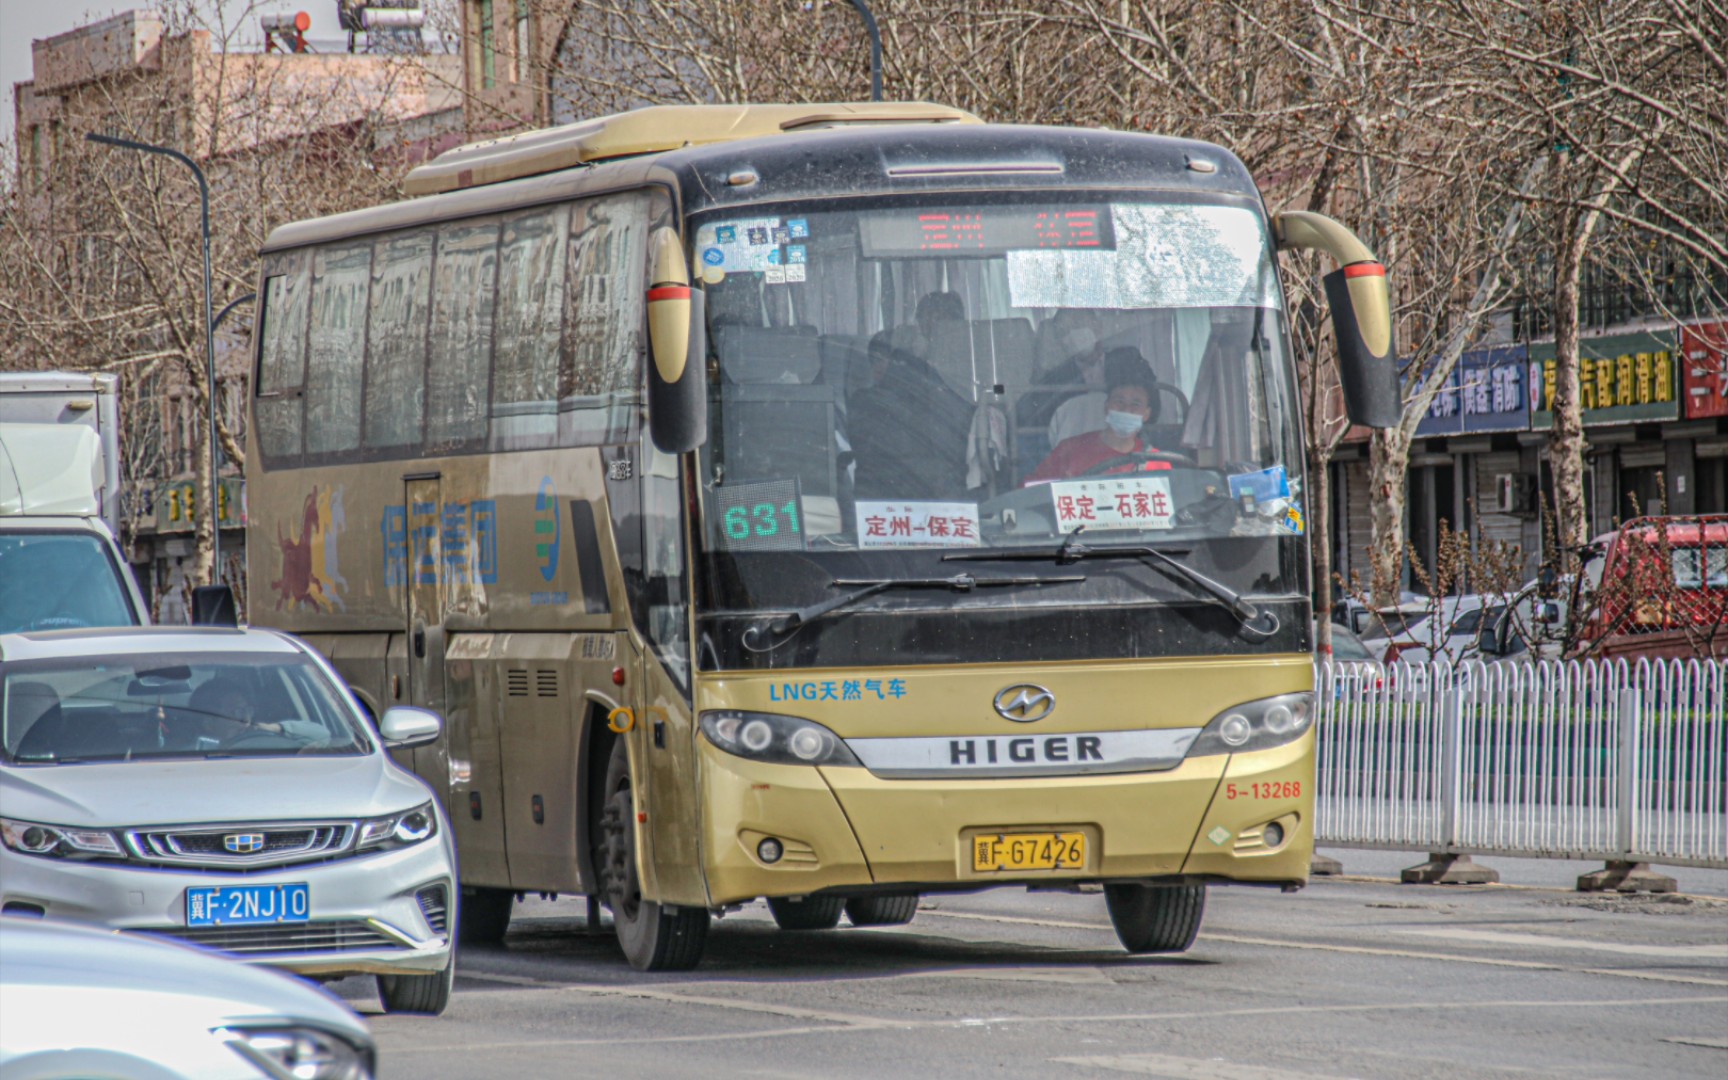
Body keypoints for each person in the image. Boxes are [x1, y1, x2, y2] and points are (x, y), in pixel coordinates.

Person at [1023, 350, 1168, 484]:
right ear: (1106, 408)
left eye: (1136, 404)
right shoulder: (1069, 451)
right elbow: (1030, 489)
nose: (1126, 409)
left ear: (1146, 414)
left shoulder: (1158, 462)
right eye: (1119, 401)